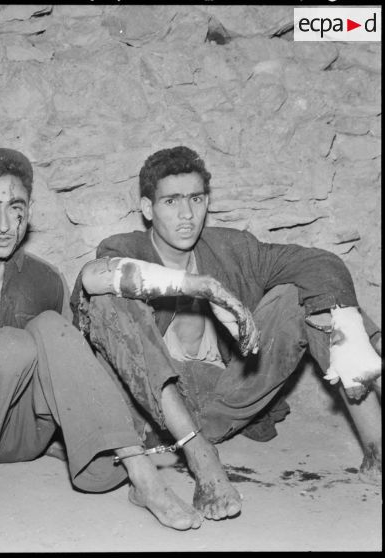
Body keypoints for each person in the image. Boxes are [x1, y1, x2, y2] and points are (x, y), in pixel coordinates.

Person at [0, 147, 209, 531]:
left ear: (28, 211)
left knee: (50, 327)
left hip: (24, 432)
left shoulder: (47, 280)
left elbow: (70, 369)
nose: (4, 224)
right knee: (13, 344)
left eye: (15, 207)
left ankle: (143, 477)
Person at [71, 145, 382, 521]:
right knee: (110, 297)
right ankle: (202, 459)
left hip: (226, 399)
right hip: (154, 410)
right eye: (171, 201)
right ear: (148, 208)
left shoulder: (231, 248)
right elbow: (93, 278)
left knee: (312, 292)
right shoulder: (125, 248)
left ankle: (378, 453)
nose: (187, 214)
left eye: (196, 199)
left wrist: (353, 334)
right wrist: (201, 286)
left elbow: (319, 262)